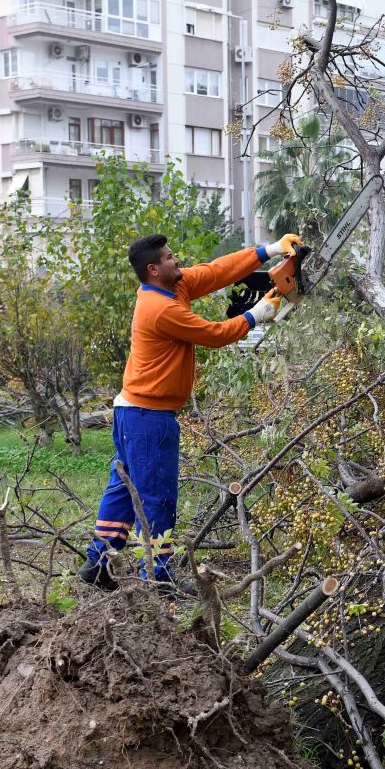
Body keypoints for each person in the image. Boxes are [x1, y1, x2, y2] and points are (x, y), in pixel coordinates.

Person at [80, 230, 301, 591]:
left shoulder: (173, 286)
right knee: (156, 497)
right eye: (169, 257)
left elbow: (217, 271)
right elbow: (214, 334)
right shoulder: (161, 308)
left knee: (124, 489)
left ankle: (99, 562)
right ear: (154, 269)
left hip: (132, 411)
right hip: (148, 417)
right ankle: (156, 576)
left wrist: (270, 250)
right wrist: (257, 314)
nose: (176, 259)